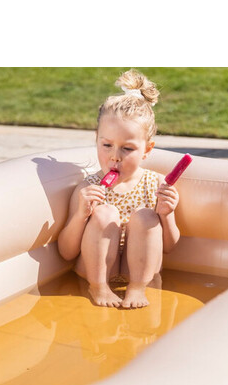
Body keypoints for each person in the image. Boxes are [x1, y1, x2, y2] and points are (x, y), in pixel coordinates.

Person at [57, 69, 180, 309]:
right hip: (94, 272)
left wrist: (167, 215)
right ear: (96, 139)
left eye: (127, 149)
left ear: (147, 149)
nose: (115, 156)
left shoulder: (157, 185)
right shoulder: (88, 187)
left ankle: (137, 287)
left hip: (142, 275)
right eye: (107, 145)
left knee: (146, 216)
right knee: (104, 213)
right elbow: (66, 252)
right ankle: (98, 287)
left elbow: (170, 247)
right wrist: (82, 215)